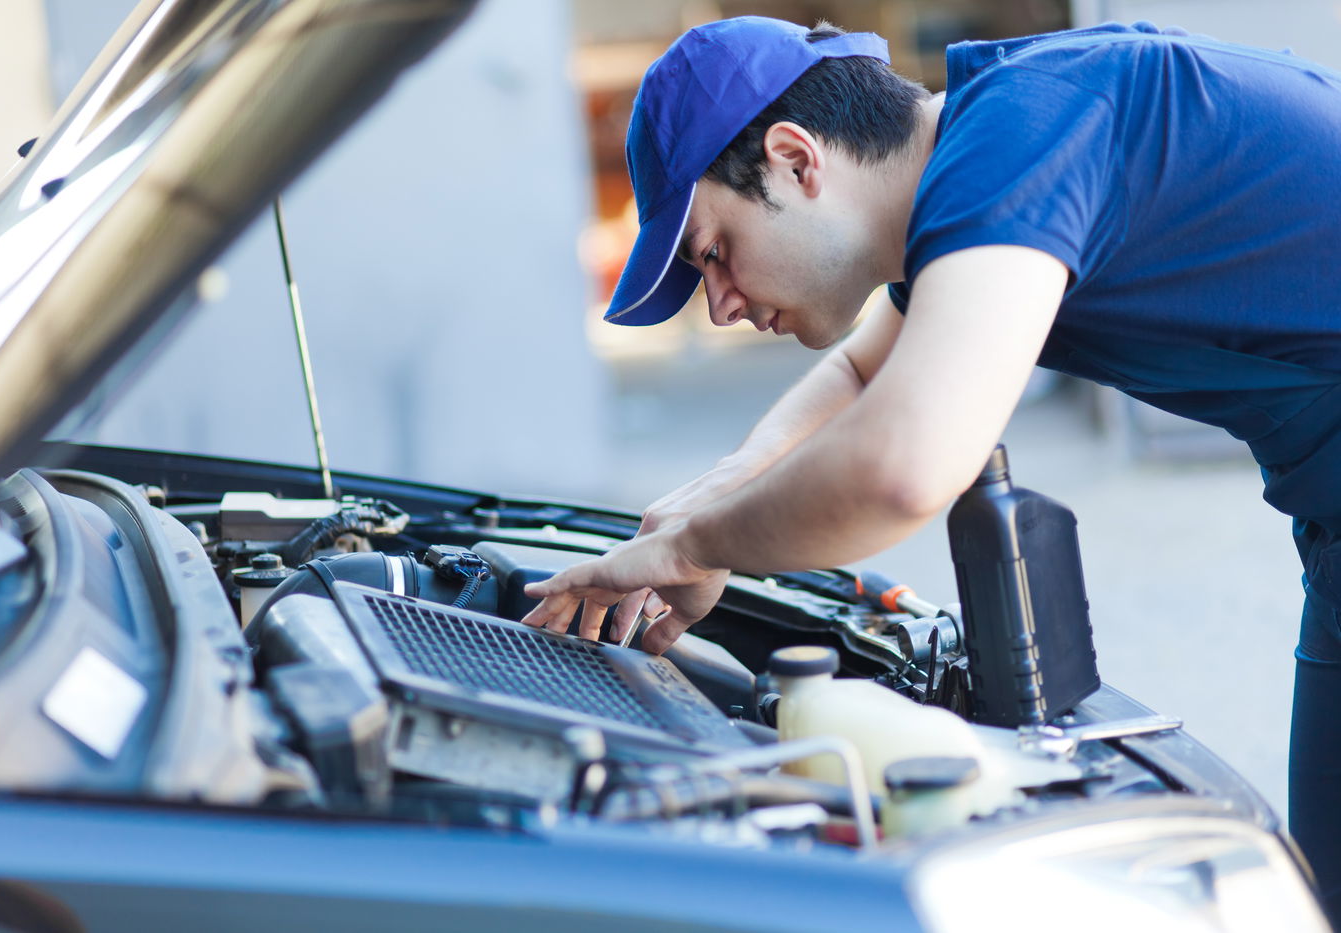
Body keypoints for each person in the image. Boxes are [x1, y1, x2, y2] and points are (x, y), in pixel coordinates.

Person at [519, 15, 1341, 917]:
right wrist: (727, 484)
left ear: (797, 161)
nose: (718, 306)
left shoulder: (1027, 132)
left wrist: (698, 548)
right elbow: (863, 370)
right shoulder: (974, 171)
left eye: (713, 253)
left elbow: (906, 465)